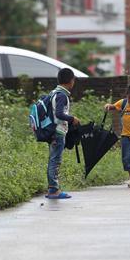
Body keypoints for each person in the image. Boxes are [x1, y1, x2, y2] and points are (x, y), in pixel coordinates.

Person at [46, 68, 80, 199]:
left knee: (53, 160)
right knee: (56, 161)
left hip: (52, 131)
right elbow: (59, 114)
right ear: (71, 81)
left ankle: (52, 188)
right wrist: (72, 119)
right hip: (58, 132)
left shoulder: (54, 93)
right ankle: (54, 190)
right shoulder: (62, 95)